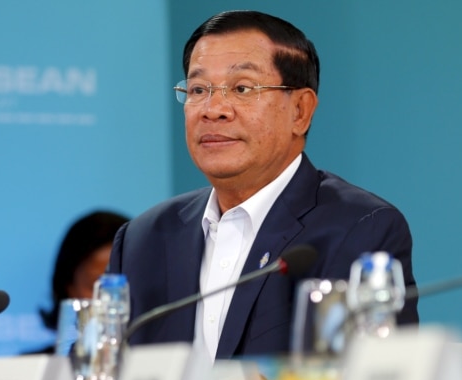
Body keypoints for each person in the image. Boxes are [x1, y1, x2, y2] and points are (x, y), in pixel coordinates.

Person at [108, 10, 418, 361]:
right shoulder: (143, 239)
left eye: (241, 88)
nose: (213, 110)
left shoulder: (360, 229)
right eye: (198, 89)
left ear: (300, 111)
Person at [30, 210, 130, 354]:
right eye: (97, 287)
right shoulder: (32, 370)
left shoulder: (166, 358)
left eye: (120, 287)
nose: (109, 302)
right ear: (69, 287)